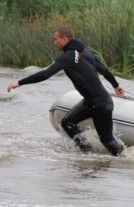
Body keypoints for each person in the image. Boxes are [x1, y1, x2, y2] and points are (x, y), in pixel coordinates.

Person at [7, 26, 125, 156]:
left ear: (65, 38)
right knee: (67, 123)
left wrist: (19, 83)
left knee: (107, 140)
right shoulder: (86, 52)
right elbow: (105, 70)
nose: (54, 42)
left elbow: (45, 74)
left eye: (56, 39)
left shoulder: (67, 57)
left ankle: (124, 159)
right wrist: (116, 85)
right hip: (90, 103)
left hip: (101, 104)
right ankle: (88, 152)